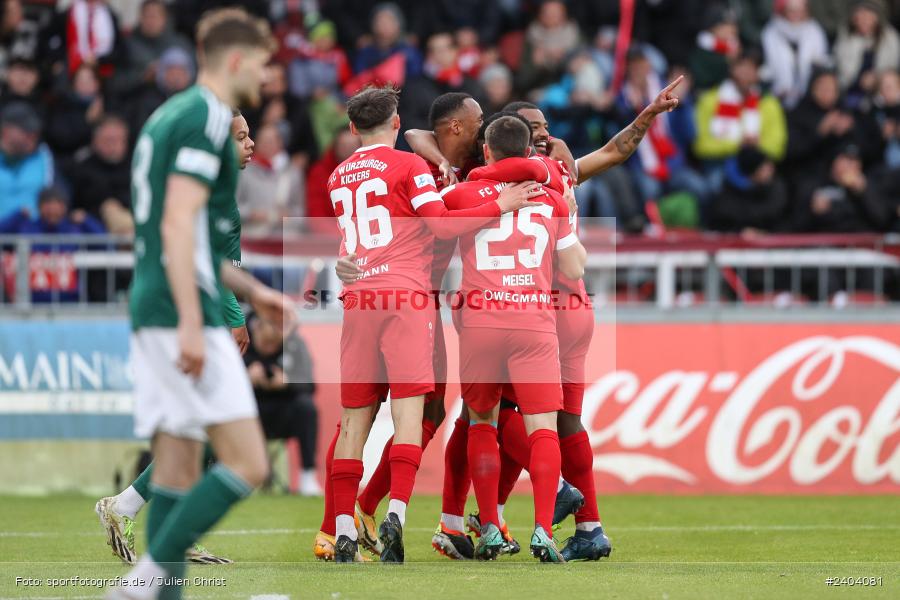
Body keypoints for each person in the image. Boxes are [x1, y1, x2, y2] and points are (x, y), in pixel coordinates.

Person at [101, 11, 292, 598]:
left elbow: (191, 235)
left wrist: (255, 292)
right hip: (182, 309)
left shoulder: (171, 115)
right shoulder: (206, 117)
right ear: (235, 61)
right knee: (248, 463)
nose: (267, 78)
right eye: (261, 64)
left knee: (179, 469)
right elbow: (178, 223)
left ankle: (155, 590)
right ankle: (142, 583)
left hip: (161, 303)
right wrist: (191, 319)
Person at [326, 86, 542, 564]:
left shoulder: (337, 175)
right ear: (396, 122)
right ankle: (393, 516)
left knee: (353, 420)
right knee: (414, 415)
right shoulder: (412, 166)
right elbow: (441, 224)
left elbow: (357, 236)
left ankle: (340, 529)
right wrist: (500, 205)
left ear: (352, 127)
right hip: (409, 297)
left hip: (358, 297)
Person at [94, 108, 256, 567]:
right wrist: (234, 318)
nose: (250, 145)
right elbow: (205, 264)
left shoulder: (207, 192)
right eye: (241, 137)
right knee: (214, 433)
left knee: (197, 429)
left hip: (179, 316)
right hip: (185, 319)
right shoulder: (209, 195)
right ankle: (141, 517)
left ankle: (152, 519)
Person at [441, 115, 587, 562]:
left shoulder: (461, 194)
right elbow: (574, 268)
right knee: (543, 430)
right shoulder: (552, 198)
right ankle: (543, 530)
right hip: (534, 324)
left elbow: (429, 226)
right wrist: (569, 214)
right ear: (528, 152)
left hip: (480, 324)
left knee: (482, 424)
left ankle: (488, 527)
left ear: (486, 151)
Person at [244, 312, 321, 496]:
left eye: (275, 344)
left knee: (307, 408)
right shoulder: (239, 341)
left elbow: (310, 385)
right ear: (255, 330)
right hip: (249, 414)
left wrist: (287, 382)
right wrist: (245, 378)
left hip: (285, 411)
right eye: (265, 343)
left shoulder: (295, 344)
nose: (270, 348)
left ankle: (308, 476)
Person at [694, 51, 787, 192]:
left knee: (770, 181)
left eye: (752, 68)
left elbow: (777, 146)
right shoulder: (710, 100)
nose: (746, 73)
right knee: (715, 183)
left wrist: (756, 145)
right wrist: (737, 144)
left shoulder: (769, 103)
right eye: (742, 66)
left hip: (757, 163)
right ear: (732, 68)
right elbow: (701, 145)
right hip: (720, 164)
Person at [0, 186, 104, 304]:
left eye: (58, 203)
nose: (53, 209)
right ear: (39, 206)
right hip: (31, 303)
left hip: (70, 303)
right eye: (48, 203)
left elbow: (105, 245)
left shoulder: (74, 229)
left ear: (65, 206)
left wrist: (87, 221)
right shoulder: (27, 228)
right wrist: (16, 216)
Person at [65, 115, 133, 235]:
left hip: (130, 221)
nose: (113, 145)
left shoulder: (135, 167)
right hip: (92, 227)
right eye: (108, 140)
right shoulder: (81, 167)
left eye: (118, 140)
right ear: (95, 141)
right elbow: (74, 204)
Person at [236, 122, 303, 237]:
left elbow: (300, 213)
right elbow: (233, 206)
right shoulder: (243, 171)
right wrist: (251, 214)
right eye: (263, 141)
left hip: (284, 237)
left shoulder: (293, 173)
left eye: (271, 141)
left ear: (280, 143)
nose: (267, 145)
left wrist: (288, 216)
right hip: (251, 236)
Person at [761, 0, 829, 109]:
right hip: (777, 96)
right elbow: (766, 68)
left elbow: (821, 61)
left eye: (800, 11)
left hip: (808, 97)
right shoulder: (770, 33)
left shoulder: (815, 31)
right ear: (783, 11)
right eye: (792, 11)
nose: (796, 15)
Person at [833, 0, 900, 108]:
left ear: (877, 18)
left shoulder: (890, 37)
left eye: (869, 15)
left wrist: (876, 79)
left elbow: (893, 69)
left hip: (881, 91)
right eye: (860, 14)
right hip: (851, 89)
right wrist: (859, 79)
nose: (865, 19)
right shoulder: (846, 36)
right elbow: (841, 70)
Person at [709, 145, 789, 233]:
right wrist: (740, 231)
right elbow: (721, 225)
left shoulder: (777, 190)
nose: (771, 170)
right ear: (752, 172)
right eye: (764, 168)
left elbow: (785, 221)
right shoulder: (729, 197)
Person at [0, 102, 54, 220]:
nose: (33, 136)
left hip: (32, 228)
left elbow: (56, 194)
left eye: (34, 131)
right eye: (26, 131)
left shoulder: (43, 156)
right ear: (6, 131)